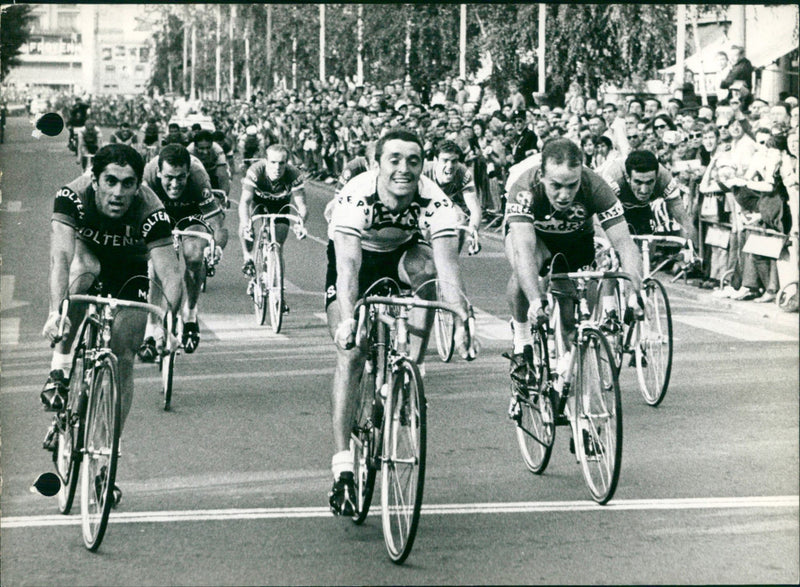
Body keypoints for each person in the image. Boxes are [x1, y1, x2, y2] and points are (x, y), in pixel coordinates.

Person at [325, 129, 474, 516]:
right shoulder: (356, 195)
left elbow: (447, 270)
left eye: (413, 160)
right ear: (378, 164)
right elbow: (348, 267)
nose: (403, 169)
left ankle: (413, 363)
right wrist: (347, 320)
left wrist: (459, 319)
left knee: (428, 272)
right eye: (394, 160)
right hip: (356, 261)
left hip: (401, 255)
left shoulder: (436, 201)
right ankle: (342, 464)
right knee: (353, 353)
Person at [40, 145, 183, 483]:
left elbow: (169, 273)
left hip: (130, 266)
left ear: (138, 185)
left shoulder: (151, 209)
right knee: (83, 269)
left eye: (128, 184)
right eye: (111, 182)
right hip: (87, 256)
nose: (119, 192)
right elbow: (60, 257)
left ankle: (106, 453)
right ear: (95, 180)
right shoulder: (72, 196)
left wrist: (165, 325)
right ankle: (59, 371)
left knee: (124, 354)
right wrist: (54, 312)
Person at [502, 138, 643, 389]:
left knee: (570, 312)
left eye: (572, 185)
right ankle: (522, 343)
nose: (565, 194)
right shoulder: (525, 188)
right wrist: (535, 300)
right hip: (535, 238)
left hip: (575, 238)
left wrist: (634, 292)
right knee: (525, 274)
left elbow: (625, 244)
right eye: (556, 185)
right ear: (542, 176)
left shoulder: (596, 186)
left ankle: (565, 375)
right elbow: (523, 249)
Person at [138, 144, 227, 360]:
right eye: (169, 177)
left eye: (181, 177)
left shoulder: (198, 178)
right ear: (159, 172)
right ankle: (151, 329)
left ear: (188, 173)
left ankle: (190, 314)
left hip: (191, 214)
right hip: (158, 212)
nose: (175, 184)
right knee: (153, 268)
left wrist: (216, 248)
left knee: (195, 256)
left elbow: (217, 225)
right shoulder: (147, 177)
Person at [239, 144, 308, 280]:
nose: (277, 167)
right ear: (266, 161)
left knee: (278, 246)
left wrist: (301, 223)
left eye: (281, 163)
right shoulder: (256, 171)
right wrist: (247, 225)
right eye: (273, 162)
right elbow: (245, 202)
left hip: (280, 205)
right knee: (246, 227)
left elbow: (302, 206)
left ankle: (279, 292)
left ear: (287, 163)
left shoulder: (294, 174)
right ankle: (248, 257)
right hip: (258, 202)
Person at [602, 150, 697, 244]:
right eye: (638, 182)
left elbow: (683, 219)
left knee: (648, 245)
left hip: (642, 207)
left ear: (656, 177)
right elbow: (598, 220)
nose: (644, 190)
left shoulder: (664, 178)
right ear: (628, 178)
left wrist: (692, 251)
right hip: (614, 205)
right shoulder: (614, 180)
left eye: (649, 182)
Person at [422, 140, 482, 249]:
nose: (450, 166)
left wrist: (473, 231)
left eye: (454, 161)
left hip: (445, 203)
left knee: (460, 220)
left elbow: (475, 208)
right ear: (436, 160)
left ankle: (451, 262)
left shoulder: (463, 173)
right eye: (445, 160)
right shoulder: (423, 171)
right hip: (422, 205)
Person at [188, 129, 231, 196]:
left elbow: (222, 176)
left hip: (212, 173)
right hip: (196, 174)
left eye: (208, 148)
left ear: (212, 144)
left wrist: (224, 196)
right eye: (201, 148)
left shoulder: (217, 149)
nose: (205, 152)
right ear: (195, 146)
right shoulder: (189, 151)